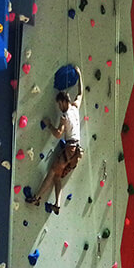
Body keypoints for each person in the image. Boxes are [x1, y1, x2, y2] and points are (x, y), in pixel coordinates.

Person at [26, 65, 84, 214]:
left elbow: (58, 134)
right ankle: (57, 204)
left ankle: (37, 197)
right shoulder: (75, 107)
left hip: (70, 149)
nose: (58, 107)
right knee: (58, 176)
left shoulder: (65, 116)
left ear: (64, 102)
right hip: (77, 152)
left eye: (59, 104)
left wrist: (49, 124)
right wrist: (79, 74)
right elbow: (80, 93)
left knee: (52, 172)